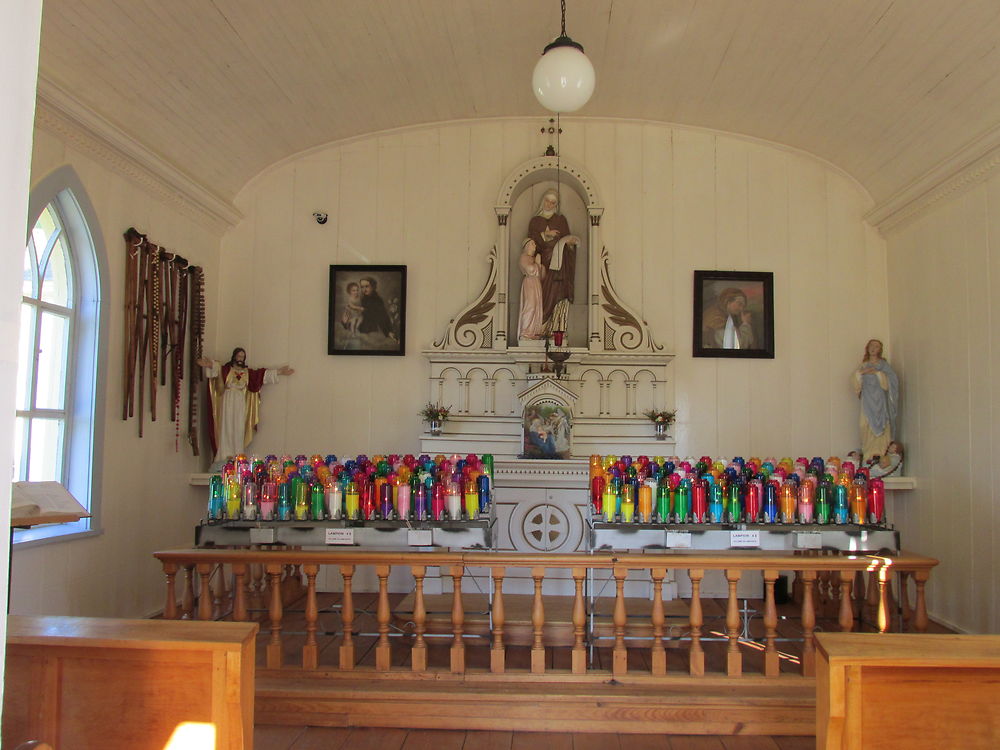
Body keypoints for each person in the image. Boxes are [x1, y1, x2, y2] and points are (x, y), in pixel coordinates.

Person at [198, 348, 294, 467]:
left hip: (240, 402)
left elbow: (262, 375)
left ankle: (237, 455)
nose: (240, 359)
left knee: (238, 428)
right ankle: (223, 456)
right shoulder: (227, 370)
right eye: (239, 356)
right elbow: (216, 368)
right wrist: (210, 364)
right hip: (228, 400)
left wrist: (280, 371)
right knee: (226, 427)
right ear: (234, 357)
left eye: (242, 357)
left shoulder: (247, 373)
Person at [527, 189, 578, 337]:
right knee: (542, 294)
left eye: (553, 202)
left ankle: (556, 329)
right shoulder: (535, 221)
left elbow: (568, 239)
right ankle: (540, 328)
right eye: (547, 201)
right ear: (543, 200)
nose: (549, 204)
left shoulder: (560, 220)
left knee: (558, 291)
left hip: (560, 264)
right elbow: (530, 241)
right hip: (544, 263)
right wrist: (545, 234)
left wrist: (570, 243)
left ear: (556, 204)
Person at [853, 338, 899, 462]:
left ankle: (880, 452)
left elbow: (892, 380)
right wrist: (861, 373)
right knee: (864, 425)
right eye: (871, 346)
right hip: (867, 399)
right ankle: (868, 452)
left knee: (882, 423)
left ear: (880, 350)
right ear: (867, 348)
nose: (873, 348)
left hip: (879, 399)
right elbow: (856, 380)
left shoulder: (883, 365)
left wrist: (878, 373)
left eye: (876, 346)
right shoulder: (864, 365)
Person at [517, 238, 545, 340]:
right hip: (529, 283)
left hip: (537, 284)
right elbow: (530, 269)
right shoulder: (524, 257)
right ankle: (525, 332)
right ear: (527, 246)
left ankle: (534, 332)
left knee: (537, 307)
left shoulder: (533, 259)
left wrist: (539, 265)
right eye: (533, 244)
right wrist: (537, 264)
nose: (535, 246)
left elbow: (542, 276)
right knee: (530, 306)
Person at [358, 276, 397, 341]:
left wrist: (388, 331)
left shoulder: (377, 300)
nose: (364, 289)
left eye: (367, 286)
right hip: (363, 326)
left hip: (374, 328)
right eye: (362, 287)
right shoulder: (363, 299)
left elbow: (382, 316)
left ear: (373, 287)